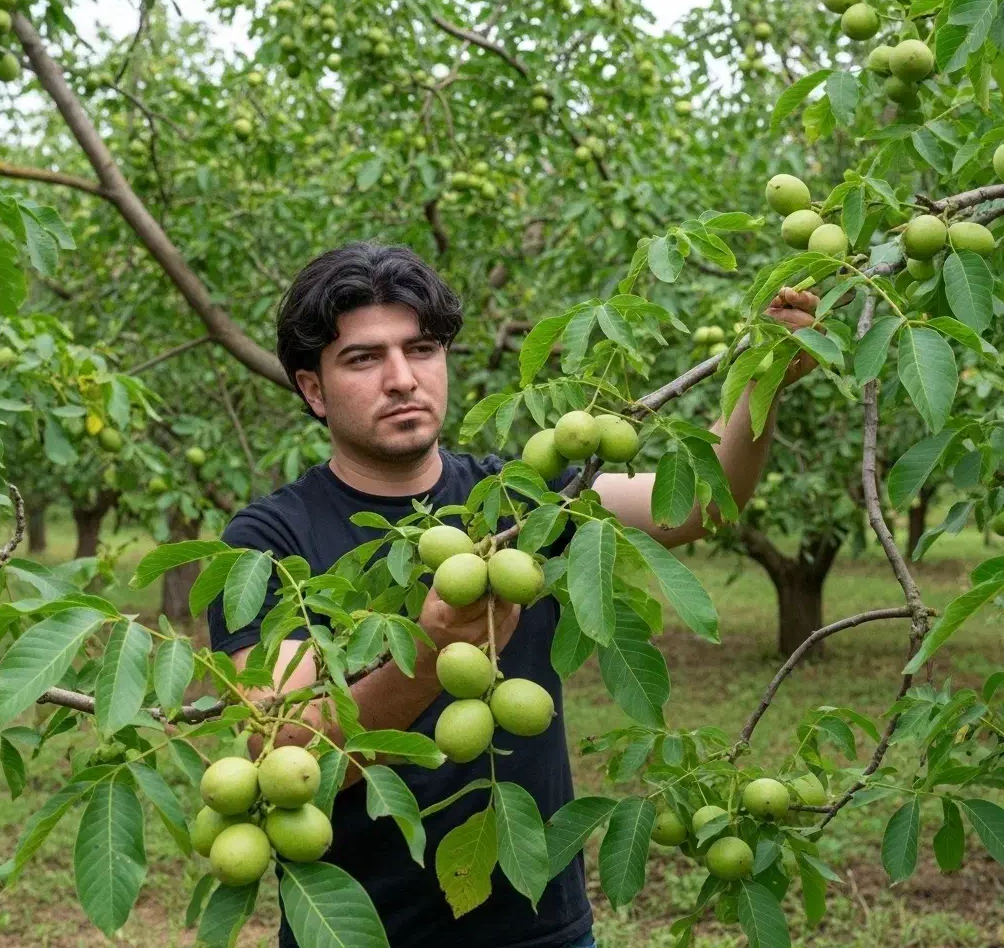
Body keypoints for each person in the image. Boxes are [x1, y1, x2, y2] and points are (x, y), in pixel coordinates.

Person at [207, 241, 819, 948]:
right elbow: (285, 746)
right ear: (313, 389)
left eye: (422, 349)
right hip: (356, 933)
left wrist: (762, 380)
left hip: (544, 929)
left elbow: (700, 504)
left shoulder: (524, 500)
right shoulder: (264, 544)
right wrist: (432, 657)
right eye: (364, 358)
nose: (402, 379)